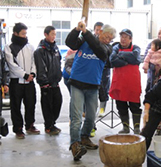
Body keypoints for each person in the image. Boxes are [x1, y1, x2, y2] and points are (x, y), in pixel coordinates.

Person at [65, 21, 116, 161]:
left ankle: (85, 137)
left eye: (110, 39)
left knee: (91, 117)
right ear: (100, 32)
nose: (107, 40)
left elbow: (98, 48)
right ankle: (75, 144)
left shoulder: (107, 48)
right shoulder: (84, 40)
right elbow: (70, 42)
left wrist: (86, 32)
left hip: (93, 86)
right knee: (76, 118)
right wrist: (77, 30)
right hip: (77, 83)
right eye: (106, 36)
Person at [4, 22, 40, 139]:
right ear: (15, 33)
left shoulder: (30, 47)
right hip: (16, 82)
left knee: (31, 104)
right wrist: (24, 75)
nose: (25, 36)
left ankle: (30, 125)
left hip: (29, 82)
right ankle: (18, 129)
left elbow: (34, 62)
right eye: (23, 33)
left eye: (26, 33)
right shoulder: (8, 47)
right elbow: (11, 64)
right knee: (16, 106)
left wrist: (32, 73)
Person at [109, 28, 142, 134]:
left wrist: (121, 54)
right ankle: (125, 127)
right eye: (121, 37)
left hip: (133, 83)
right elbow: (112, 60)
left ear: (130, 39)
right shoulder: (115, 47)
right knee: (121, 106)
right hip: (119, 83)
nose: (123, 39)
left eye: (125, 37)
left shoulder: (136, 48)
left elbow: (136, 58)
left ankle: (137, 127)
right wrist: (127, 60)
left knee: (135, 106)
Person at [34, 26, 63, 135]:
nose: (54, 37)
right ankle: (48, 126)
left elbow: (58, 63)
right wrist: (44, 82)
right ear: (45, 34)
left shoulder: (55, 48)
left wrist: (59, 76)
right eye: (52, 34)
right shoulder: (40, 50)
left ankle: (52, 123)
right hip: (46, 84)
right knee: (47, 106)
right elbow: (41, 68)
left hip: (55, 82)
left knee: (58, 103)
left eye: (55, 34)